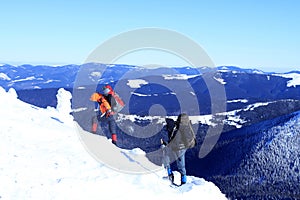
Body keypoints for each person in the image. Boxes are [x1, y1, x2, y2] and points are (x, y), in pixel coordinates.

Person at [161, 113, 195, 185]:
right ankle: (183, 181)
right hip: (181, 148)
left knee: (167, 157)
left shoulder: (175, 127)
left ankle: (170, 175)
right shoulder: (184, 127)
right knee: (181, 166)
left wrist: (165, 144)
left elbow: (175, 140)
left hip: (177, 148)